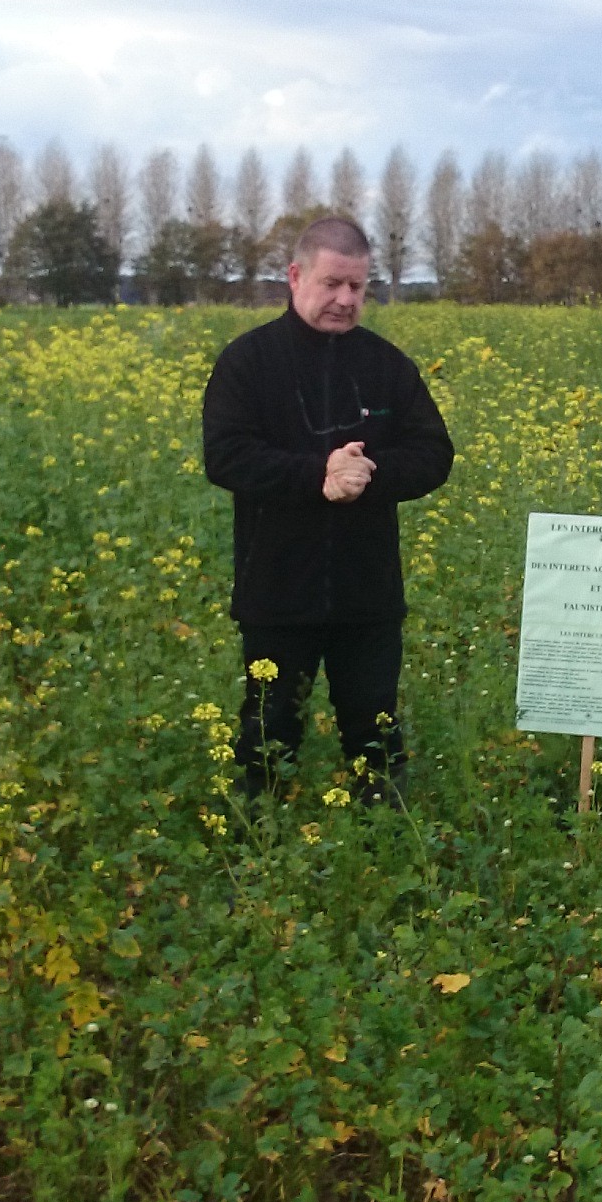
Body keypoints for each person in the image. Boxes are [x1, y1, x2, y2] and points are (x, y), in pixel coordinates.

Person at [200, 215, 455, 796]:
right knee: (268, 736)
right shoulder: (248, 362)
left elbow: (434, 452)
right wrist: (318, 476)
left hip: (368, 595)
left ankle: (383, 850)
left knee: (375, 736)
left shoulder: (386, 365)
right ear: (295, 276)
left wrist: (370, 473)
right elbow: (226, 456)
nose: (345, 300)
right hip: (276, 588)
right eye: (332, 284)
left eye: (358, 288)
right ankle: (257, 853)